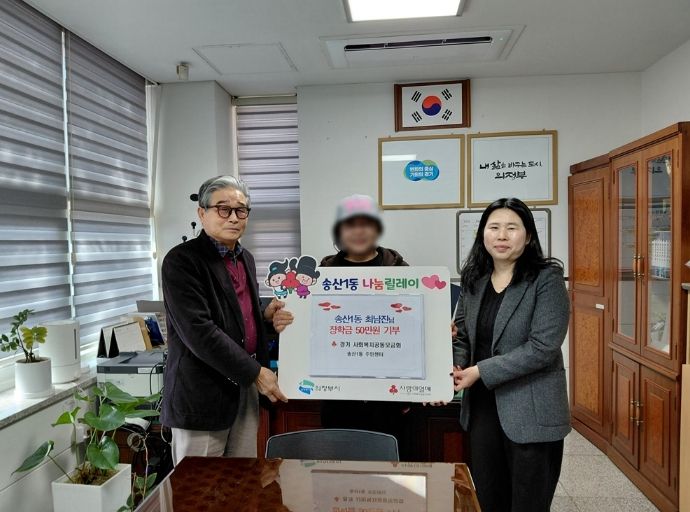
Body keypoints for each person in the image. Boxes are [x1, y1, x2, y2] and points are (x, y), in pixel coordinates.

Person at [451, 197, 571, 512]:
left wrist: (480, 371)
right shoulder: (474, 279)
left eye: (512, 228)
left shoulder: (547, 279)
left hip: (531, 409)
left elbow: (543, 347)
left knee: (528, 503)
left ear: (528, 236)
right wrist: (455, 365)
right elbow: (462, 336)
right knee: (489, 498)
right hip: (482, 409)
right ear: (482, 234)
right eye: (494, 227)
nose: (502, 236)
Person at [161, 175, 288, 465]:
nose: (233, 217)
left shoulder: (245, 258)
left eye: (240, 210)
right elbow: (200, 332)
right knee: (201, 486)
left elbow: (237, 316)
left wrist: (265, 318)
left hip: (243, 391)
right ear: (201, 213)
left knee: (242, 480)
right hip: (202, 396)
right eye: (223, 208)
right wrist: (256, 373)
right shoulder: (182, 261)